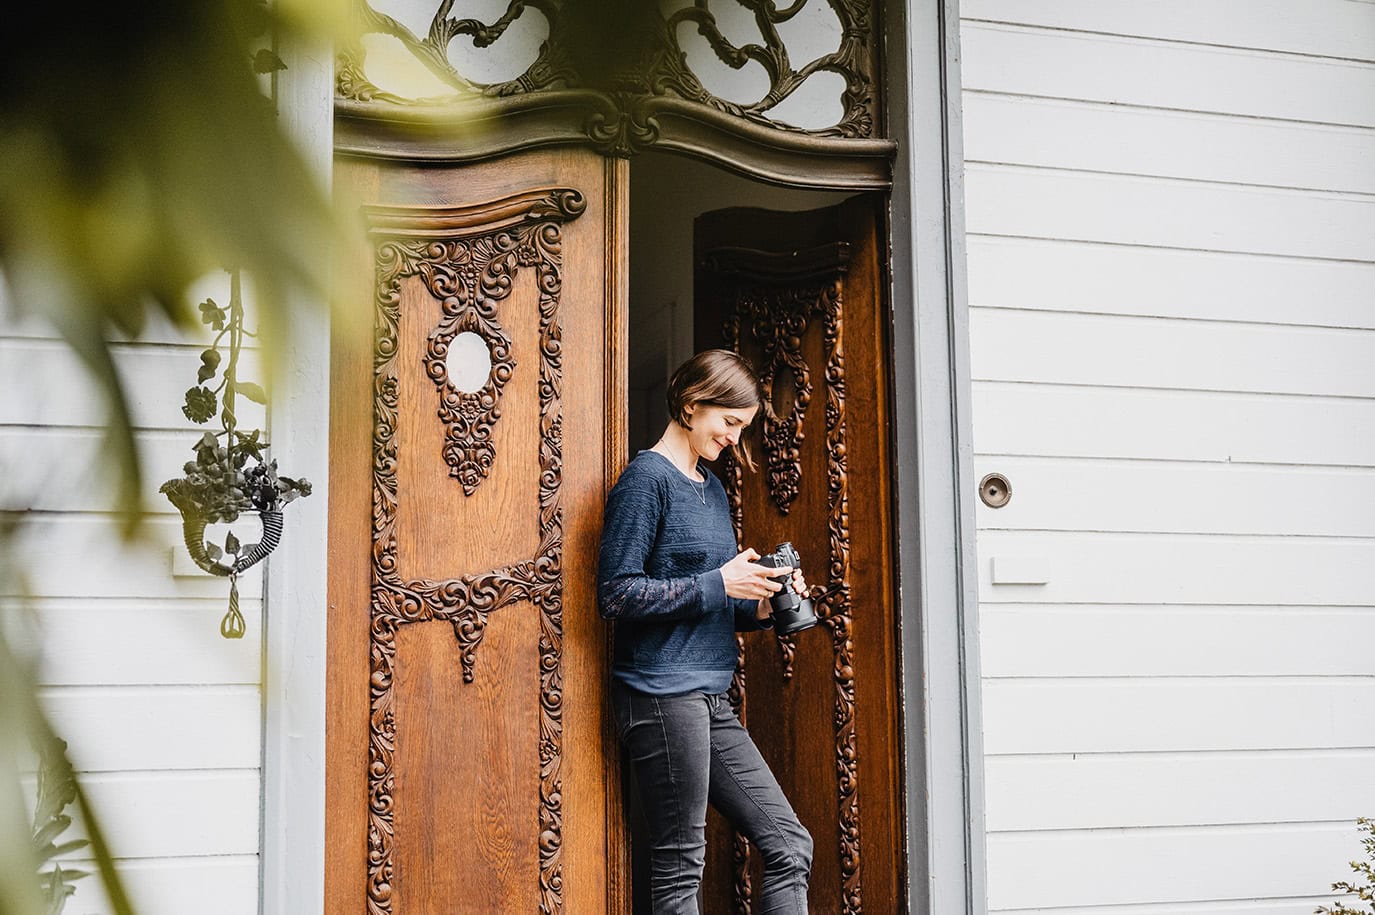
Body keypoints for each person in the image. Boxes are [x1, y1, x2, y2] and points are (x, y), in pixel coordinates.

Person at [597, 349, 814, 914]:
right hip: (661, 696)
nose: (734, 438)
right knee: (679, 867)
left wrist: (764, 604)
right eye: (729, 422)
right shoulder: (646, 480)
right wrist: (719, 582)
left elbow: (717, 599)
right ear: (693, 405)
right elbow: (617, 593)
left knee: (790, 844)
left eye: (742, 427)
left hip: (710, 697)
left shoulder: (711, 488)